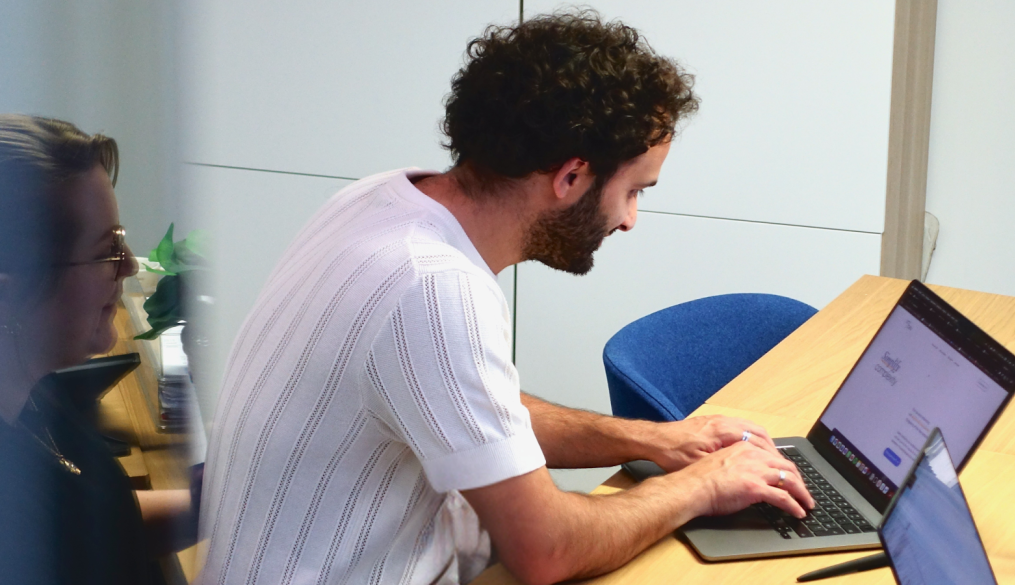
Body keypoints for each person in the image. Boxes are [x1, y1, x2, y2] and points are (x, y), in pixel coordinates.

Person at [196, 11, 814, 585]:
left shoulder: (379, 200)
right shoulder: (434, 288)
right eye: (633, 191)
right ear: (571, 177)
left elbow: (468, 404)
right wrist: (704, 486)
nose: (629, 220)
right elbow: (546, 551)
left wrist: (654, 440)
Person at [0, 114, 196, 584]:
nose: (129, 266)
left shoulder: (32, 390)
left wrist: (209, 501)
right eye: (107, 250)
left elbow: (93, 530)